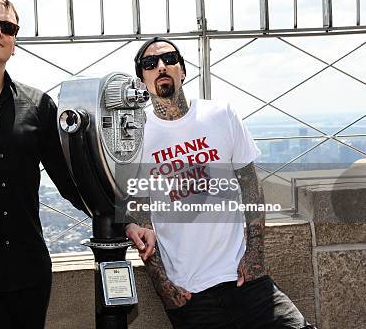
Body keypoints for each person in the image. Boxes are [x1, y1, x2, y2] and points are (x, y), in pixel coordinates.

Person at [124, 37, 314, 328]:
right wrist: (165, 289)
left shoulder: (221, 114)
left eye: (169, 59)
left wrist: (254, 258)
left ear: (183, 70)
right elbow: (141, 221)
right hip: (189, 292)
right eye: (150, 64)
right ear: (142, 79)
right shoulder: (137, 137)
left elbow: (251, 188)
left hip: (244, 279)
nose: (161, 66)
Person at [0, 0, 87, 329]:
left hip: (29, 274)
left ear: (14, 46)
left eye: (8, 28)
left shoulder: (39, 105)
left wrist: (123, 219)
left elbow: (71, 182)